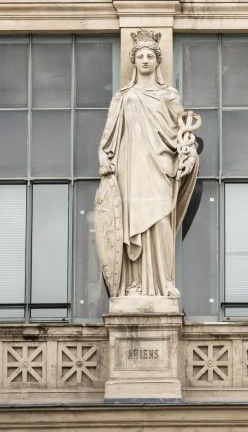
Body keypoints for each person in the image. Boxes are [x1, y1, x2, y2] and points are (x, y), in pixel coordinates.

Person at [96, 29, 199, 298]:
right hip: (130, 169)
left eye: (149, 55)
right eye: (139, 55)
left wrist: (188, 154)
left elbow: (182, 134)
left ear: (157, 60)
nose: (144, 60)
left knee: (162, 223)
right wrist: (103, 160)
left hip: (161, 165)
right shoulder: (122, 97)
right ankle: (136, 284)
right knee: (134, 226)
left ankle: (163, 283)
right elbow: (108, 138)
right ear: (134, 61)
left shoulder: (169, 96)